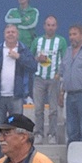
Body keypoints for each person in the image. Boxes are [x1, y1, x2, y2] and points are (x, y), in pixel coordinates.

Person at [0, 25, 36, 162]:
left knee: (17, 131)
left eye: (13, 32)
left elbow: (33, 66)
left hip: (16, 96)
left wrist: (19, 57)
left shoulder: (23, 50)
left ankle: (17, 159)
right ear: (4, 34)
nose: (10, 34)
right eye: (8, 32)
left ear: (17, 34)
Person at [32, 16, 67, 145]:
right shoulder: (37, 41)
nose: (50, 27)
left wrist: (59, 75)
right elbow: (31, 58)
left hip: (54, 79)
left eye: (53, 25)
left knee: (53, 109)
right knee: (38, 109)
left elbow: (65, 60)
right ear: (44, 26)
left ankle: (52, 134)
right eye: (48, 25)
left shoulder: (61, 41)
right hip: (39, 78)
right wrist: (37, 58)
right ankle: (38, 134)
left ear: (56, 27)